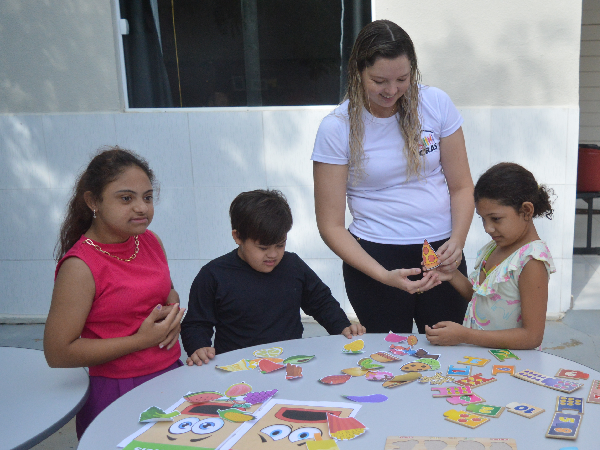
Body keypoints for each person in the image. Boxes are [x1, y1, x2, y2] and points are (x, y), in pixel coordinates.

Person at [311, 19, 474, 334]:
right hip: (375, 257)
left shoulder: (436, 104)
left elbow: (462, 186)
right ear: (358, 72)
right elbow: (330, 225)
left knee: (445, 359)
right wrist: (383, 275)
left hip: (440, 255)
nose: (391, 90)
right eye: (379, 81)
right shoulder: (336, 127)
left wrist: (456, 242)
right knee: (388, 363)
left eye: (402, 79)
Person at [44, 147, 186, 439]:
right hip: (118, 390)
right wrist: (140, 341)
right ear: (93, 201)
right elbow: (58, 352)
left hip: (171, 374)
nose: (141, 208)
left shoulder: (149, 241)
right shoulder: (80, 266)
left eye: (147, 197)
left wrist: (172, 309)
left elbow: (166, 291)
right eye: (126, 198)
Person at [181, 189, 366, 366]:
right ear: (237, 237)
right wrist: (199, 348)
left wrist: (342, 326)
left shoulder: (293, 265)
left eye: (280, 245)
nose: (273, 255)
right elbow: (196, 324)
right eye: (263, 248)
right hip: (238, 368)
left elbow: (321, 301)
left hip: (290, 364)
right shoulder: (213, 275)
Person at [425, 163, 556, 350]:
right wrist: (451, 274)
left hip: (512, 366)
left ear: (526, 211)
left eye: (495, 219)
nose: (488, 228)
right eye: (483, 219)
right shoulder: (495, 247)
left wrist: (465, 335)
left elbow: (532, 337)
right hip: (483, 361)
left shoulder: (531, 261)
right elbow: (481, 298)